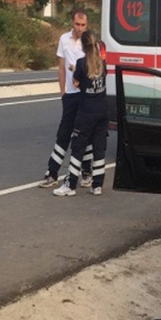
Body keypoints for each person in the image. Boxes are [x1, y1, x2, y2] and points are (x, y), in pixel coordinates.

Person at [39, 8, 94, 188]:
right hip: (70, 94)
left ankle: (87, 172)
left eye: (83, 25)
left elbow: (93, 68)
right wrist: (62, 91)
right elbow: (61, 67)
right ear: (72, 23)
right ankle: (52, 172)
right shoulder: (64, 39)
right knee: (64, 133)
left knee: (84, 135)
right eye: (77, 24)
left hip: (85, 95)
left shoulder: (90, 42)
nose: (80, 28)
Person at [53, 29, 108, 197]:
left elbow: (76, 83)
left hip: (86, 112)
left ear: (83, 47)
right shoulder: (102, 63)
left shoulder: (81, 64)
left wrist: (74, 69)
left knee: (78, 146)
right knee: (99, 148)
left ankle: (70, 184)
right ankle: (97, 185)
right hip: (103, 111)